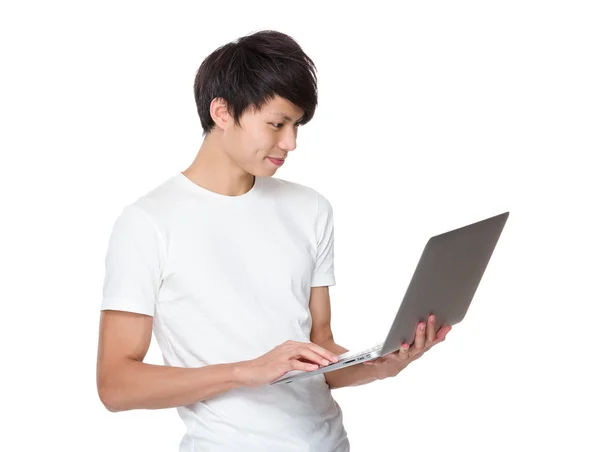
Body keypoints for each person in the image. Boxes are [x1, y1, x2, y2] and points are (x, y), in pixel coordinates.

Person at [96, 29, 451, 452]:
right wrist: (245, 371)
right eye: (277, 124)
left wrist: (381, 365)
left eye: (296, 125)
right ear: (222, 113)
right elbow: (116, 385)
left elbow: (320, 352)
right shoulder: (148, 223)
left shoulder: (311, 209)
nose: (291, 143)